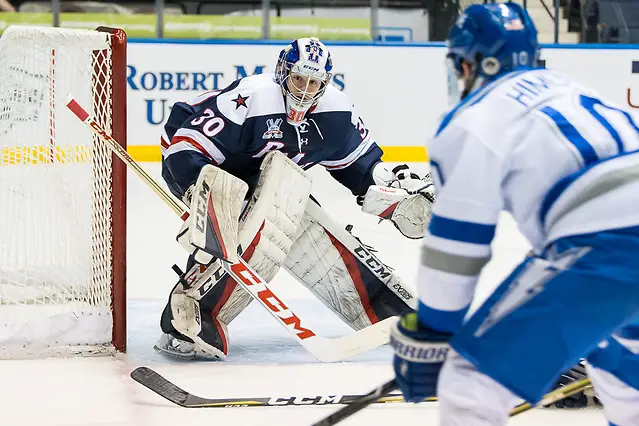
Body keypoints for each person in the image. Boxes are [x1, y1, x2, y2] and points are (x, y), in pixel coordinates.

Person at [390, 2, 639, 425]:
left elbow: (457, 249)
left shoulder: (473, 119)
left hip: (606, 251)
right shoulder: (574, 90)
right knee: (622, 375)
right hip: (612, 251)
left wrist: (433, 332)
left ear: (472, 63)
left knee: (469, 385)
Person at [155, 37, 434, 360]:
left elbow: (362, 167)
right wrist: (201, 197)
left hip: (270, 179)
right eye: (299, 78)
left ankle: (387, 311)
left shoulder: (336, 113)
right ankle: (188, 317)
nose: (304, 89)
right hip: (205, 167)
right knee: (254, 235)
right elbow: (184, 148)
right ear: (283, 72)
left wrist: (393, 192)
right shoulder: (254, 97)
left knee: (302, 222)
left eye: (314, 82)